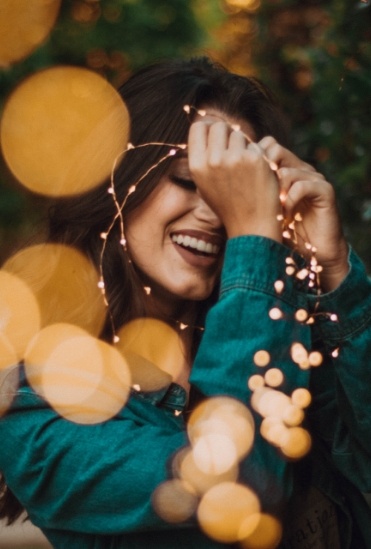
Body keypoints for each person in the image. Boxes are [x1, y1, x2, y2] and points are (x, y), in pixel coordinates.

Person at [0, 56, 371, 549]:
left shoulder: (288, 327)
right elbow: (237, 482)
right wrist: (256, 235)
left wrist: (335, 273)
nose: (218, 214)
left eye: (239, 192)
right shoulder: (40, 410)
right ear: (114, 182)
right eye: (189, 180)